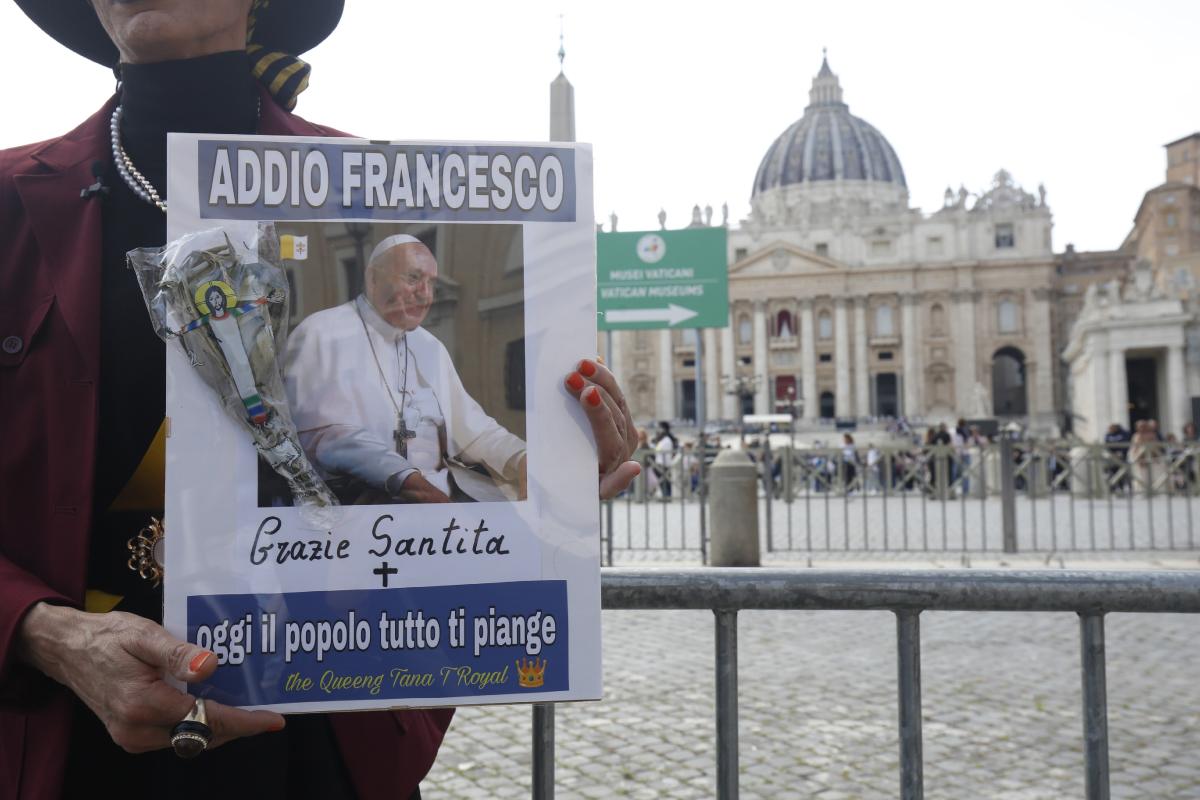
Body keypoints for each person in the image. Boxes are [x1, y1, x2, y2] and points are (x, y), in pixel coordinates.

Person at [1, 2, 639, 798]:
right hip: (66, 749)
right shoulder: (7, 203)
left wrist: (554, 470)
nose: (416, 293)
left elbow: (471, 432)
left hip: (323, 747)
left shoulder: (380, 193)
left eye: (425, 284)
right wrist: (43, 633)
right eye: (404, 282)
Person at [285, 235, 526, 504]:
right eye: (413, 278)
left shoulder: (430, 347)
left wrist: (519, 458)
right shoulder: (320, 333)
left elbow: (474, 430)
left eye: (431, 282)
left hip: (444, 506)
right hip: (360, 512)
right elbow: (324, 436)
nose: (425, 294)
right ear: (373, 279)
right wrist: (412, 484)